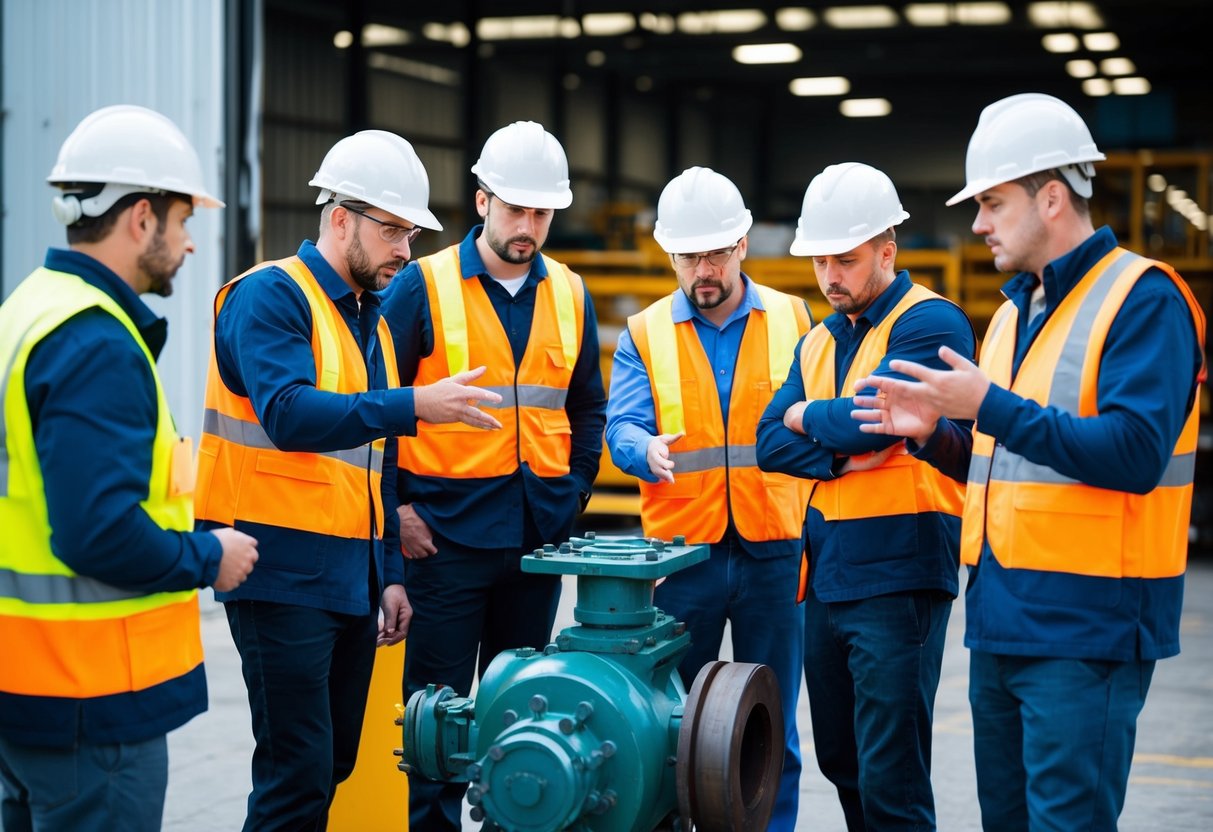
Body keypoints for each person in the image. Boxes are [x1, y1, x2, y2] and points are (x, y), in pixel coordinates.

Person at [851, 93, 1206, 831]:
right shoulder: (1015, 311)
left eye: (990, 203)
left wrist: (984, 406)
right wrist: (935, 436)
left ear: (1050, 198)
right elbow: (1003, 463)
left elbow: (1135, 453)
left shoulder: (1143, 300)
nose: (976, 223)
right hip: (1002, 621)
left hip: (1088, 626)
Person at [193, 130, 502, 831]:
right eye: (391, 230)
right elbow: (289, 414)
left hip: (348, 578)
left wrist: (387, 572)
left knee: (329, 766)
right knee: (295, 774)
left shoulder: (372, 323)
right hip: (275, 571)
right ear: (340, 219)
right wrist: (413, 405)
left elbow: (378, 462)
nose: (405, 249)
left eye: (411, 234)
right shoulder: (270, 297)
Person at [0, 104, 259, 832]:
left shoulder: (28, 309)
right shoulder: (94, 341)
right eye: (182, 223)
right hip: (90, 702)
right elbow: (96, 531)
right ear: (140, 218)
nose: (188, 245)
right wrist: (207, 555)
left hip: (29, 688)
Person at [380, 120, 606, 831]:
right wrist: (398, 511)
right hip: (442, 542)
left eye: (541, 212)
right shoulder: (423, 286)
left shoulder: (570, 293)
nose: (528, 225)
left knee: (525, 718)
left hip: (536, 542)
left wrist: (570, 498)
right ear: (481, 202)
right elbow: (376, 407)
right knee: (437, 721)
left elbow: (587, 408)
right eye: (515, 208)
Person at [756, 162, 976, 830]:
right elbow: (769, 441)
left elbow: (871, 417)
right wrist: (837, 446)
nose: (829, 276)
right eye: (819, 260)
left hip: (900, 572)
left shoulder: (929, 322)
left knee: (891, 774)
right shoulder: (817, 339)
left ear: (887, 250)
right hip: (826, 576)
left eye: (844, 260)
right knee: (842, 760)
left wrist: (808, 420)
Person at [604, 166, 813, 831]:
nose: (703, 266)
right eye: (689, 254)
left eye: (716, 251)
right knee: (673, 729)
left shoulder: (793, 318)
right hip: (682, 558)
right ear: (669, 254)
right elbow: (621, 426)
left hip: (774, 553)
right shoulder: (644, 332)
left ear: (743, 243)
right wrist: (644, 450)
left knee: (768, 725)